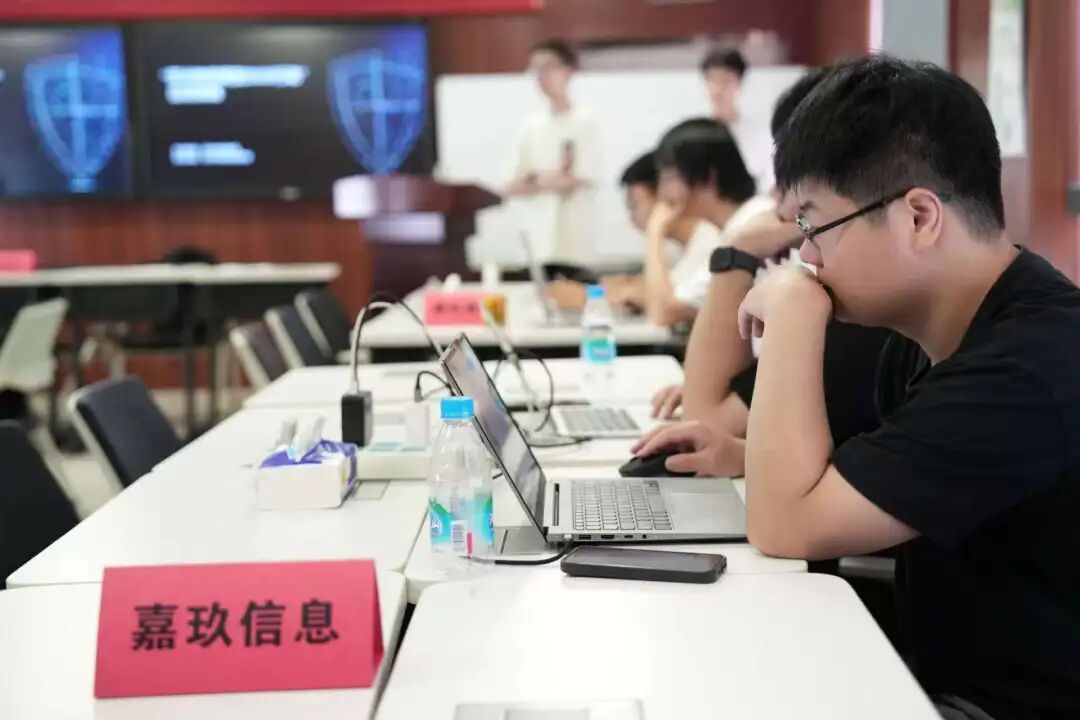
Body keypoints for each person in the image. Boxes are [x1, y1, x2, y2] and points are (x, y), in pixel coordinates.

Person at [637, 56, 1080, 719]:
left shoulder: (1032, 363)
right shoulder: (922, 332)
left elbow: (786, 524)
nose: (806, 256)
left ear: (919, 218)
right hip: (930, 679)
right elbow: (862, 473)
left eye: (814, 227)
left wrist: (793, 310)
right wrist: (742, 454)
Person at [647, 68, 892, 473]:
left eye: (793, 185)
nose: (779, 205)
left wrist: (734, 254)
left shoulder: (859, 316)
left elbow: (704, 419)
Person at [642, 118, 772, 326]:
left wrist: (654, 232)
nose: (662, 194)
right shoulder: (738, 223)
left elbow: (664, 312)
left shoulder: (749, 226)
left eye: (669, 178)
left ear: (707, 176)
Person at [505, 39, 600, 264]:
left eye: (548, 67)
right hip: (536, 240)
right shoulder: (531, 126)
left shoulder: (586, 122)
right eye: (536, 69)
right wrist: (551, 178)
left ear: (569, 71)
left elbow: (574, 180)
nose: (542, 76)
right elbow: (512, 185)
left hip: (574, 242)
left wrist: (535, 177)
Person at [700, 48, 774, 193]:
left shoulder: (761, 137)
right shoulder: (697, 134)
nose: (718, 89)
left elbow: (769, 186)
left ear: (739, 83)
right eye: (712, 80)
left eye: (725, 80)